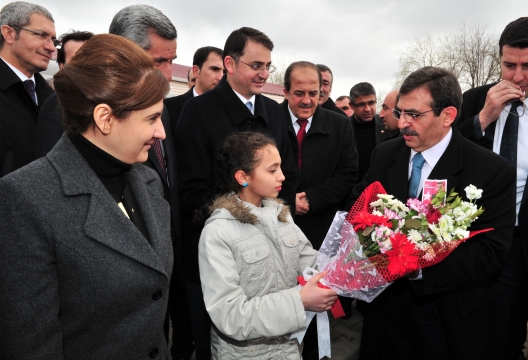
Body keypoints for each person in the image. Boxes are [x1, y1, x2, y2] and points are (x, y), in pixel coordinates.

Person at [0, 34, 173, 359]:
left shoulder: (148, 181)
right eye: (151, 119)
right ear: (105, 118)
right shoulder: (25, 199)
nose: (161, 132)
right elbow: (31, 345)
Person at [346, 66, 516, 360]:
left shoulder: (490, 171)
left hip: (445, 314)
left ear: (447, 115)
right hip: (384, 311)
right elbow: (358, 207)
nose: (402, 124)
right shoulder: (384, 154)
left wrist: (417, 267)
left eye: (414, 115)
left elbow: (490, 252)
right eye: (400, 113)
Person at [175, 27, 297, 359]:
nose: (263, 73)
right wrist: (239, 224)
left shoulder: (273, 112)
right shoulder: (197, 112)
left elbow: (288, 182)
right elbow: (190, 189)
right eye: (256, 65)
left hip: (270, 259)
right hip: (216, 260)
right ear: (230, 63)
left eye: (268, 66)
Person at [199, 131, 337, 360]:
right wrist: (300, 300)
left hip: (290, 349)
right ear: (243, 176)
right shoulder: (218, 232)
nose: (282, 176)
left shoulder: (282, 217)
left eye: (280, 168)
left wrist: (353, 261)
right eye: (272, 170)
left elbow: (311, 263)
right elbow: (230, 315)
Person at [456, 16, 528, 360]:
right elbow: (445, 157)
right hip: (482, 234)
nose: (517, 76)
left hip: (522, 232)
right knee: (487, 328)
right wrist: (483, 118)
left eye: (527, 66)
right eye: (509, 65)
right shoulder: (474, 101)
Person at [282, 60, 358, 359]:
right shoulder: (268, 120)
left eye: (313, 92)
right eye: (299, 92)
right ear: (285, 91)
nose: (307, 100)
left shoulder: (339, 124)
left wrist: (310, 199)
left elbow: (348, 174)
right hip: (276, 225)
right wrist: (289, 200)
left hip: (319, 231)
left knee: (314, 310)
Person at [0, 1, 55, 176]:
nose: (51, 48)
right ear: (9, 34)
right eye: (41, 35)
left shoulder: (53, 98)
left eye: (53, 40)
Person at [34, 30, 93, 158]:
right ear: (62, 66)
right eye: (76, 59)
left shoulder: (118, 99)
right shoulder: (54, 106)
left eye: (90, 57)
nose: (85, 64)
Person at [165, 46, 223, 134]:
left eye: (225, 72)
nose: (221, 77)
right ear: (196, 71)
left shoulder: (232, 110)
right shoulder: (168, 108)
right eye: (215, 69)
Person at [349, 82, 385, 181]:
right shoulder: (342, 128)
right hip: (350, 190)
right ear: (351, 105)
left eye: (371, 103)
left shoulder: (386, 126)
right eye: (361, 105)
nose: (367, 109)